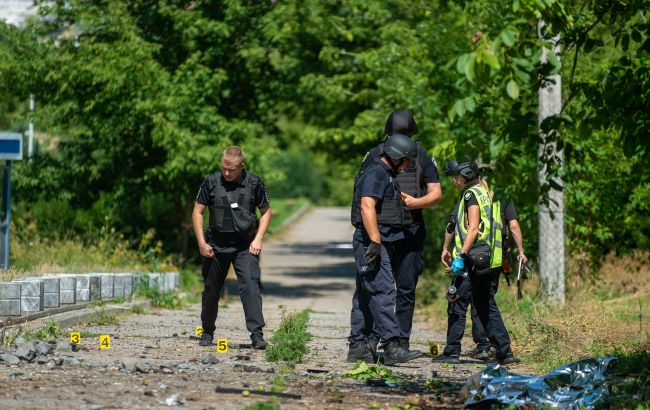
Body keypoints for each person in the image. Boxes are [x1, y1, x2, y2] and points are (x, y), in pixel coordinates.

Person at [359, 109, 442, 355]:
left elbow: (436, 193)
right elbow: (364, 192)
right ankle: (374, 339)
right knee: (380, 288)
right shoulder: (376, 154)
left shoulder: (421, 155)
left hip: (411, 230)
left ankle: (399, 343)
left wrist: (413, 203)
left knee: (404, 289)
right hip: (382, 231)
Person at [347, 134, 424, 366]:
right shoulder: (377, 173)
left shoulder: (383, 173)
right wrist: (376, 241)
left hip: (372, 241)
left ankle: (358, 347)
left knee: (364, 294)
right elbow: (366, 205)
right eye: (407, 161)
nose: (409, 165)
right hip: (371, 243)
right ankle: (392, 346)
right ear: (396, 157)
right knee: (382, 292)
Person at [435, 157, 519, 365]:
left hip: (472, 258)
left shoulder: (471, 195)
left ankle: (452, 351)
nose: (454, 182)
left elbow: (472, 228)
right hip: (489, 259)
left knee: (456, 302)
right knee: (485, 304)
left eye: (455, 177)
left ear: (465, 176)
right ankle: (504, 352)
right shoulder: (484, 193)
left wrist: (461, 255)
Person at [192, 146, 271, 349]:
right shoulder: (211, 182)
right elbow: (198, 212)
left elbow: (266, 213)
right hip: (215, 245)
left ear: (242, 166)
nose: (227, 173)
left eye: (232, 169)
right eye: (224, 168)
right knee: (211, 290)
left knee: (251, 287)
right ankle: (207, 331)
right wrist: (202, 243)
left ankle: (256, 335)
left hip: (245, 246)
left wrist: (258, 239)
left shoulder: (254, 183)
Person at [467, 173, 528, 360]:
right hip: (497, 258)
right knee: (485, 298)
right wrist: (521, 251)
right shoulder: (503, 197)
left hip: (478, 256)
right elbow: (514, 226)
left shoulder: (474, 196)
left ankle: (491, 345)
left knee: (480, 300)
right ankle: (495, 345)